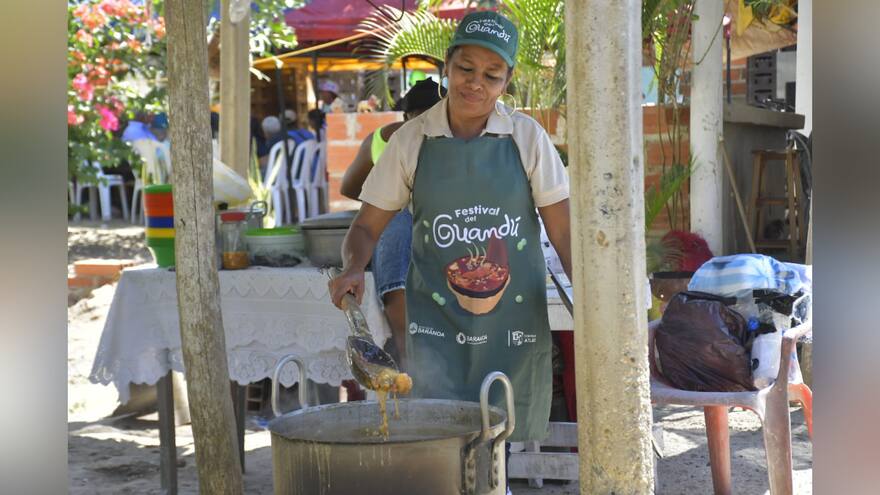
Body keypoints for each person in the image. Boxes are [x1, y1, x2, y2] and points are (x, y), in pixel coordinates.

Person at [328, 11, 572, 485]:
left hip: (512, 325)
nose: (475, 83)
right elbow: (365, 227)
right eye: (466, 68)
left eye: (491, 74)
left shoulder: (527, 139)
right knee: (442, 445)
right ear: (447, 66)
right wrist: (355, 266)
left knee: (499, 440)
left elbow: (562, 233)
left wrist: (589, 295)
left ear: (508, 80)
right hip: (435, 325)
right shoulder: (412, 140)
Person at [339, 78, 445, 366]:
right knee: (396, 221)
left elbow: (349, 188)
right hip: (395, 231)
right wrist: (383, 197)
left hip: (438, 230)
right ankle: (405, 347)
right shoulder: (388, 140)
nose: (425, 123)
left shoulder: (453, 141)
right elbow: (350, 188)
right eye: (420, 117)